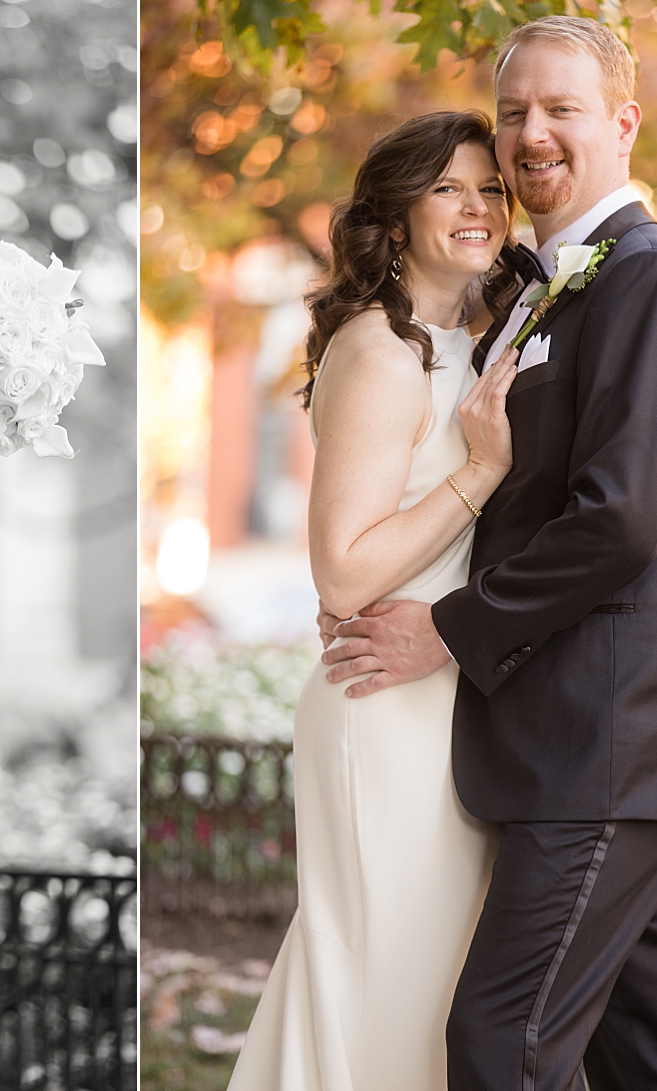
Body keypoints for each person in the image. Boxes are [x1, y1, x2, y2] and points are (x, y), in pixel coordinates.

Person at [317, 17, 657, 1089]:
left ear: (623, 122)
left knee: (499, 1047)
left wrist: (448, 629)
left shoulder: (650, 280)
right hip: (576, 739)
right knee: (653, 1063)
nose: (532, 134)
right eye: (515, 111)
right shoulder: (547, 285)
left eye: (561, 109)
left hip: (612, 737)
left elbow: (620, 517)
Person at [227, 111, 524, 1089]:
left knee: (417, 983)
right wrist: (478, 473)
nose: (478, 206)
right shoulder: (381, 353)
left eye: (490, 186)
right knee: (376, 981)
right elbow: (345, 572)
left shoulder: (462, 344)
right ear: (396, 216)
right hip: (383, 703)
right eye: (449, 188)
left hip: (443, 692)